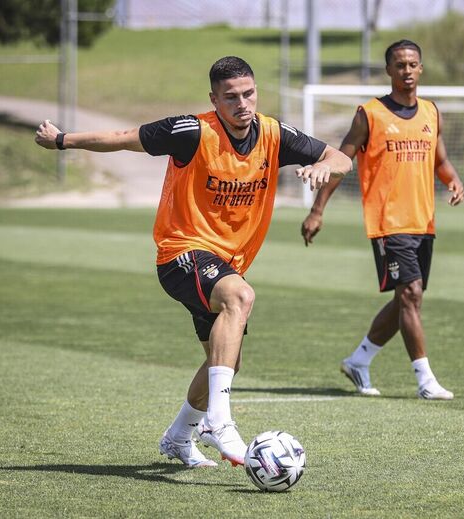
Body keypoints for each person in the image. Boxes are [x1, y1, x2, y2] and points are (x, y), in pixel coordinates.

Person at [36, 56, 352, 468]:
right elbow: (123, 137)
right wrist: (63, 140)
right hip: (180, 253)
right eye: (231, 97)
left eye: (249, 93)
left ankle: (180, 436)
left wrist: (324, 165)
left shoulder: (274, 134)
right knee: (239, 297)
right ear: (214, 99)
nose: (243, 104)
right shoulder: (191, 131)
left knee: (226, 358)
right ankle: (220, 422)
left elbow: (342, 158)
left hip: (225, 261)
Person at [301, 40, 464, 400]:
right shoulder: (369, 114)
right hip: (388, 223)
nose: (407, 71)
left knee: (408, 301)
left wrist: (452, 180)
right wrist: (317, 210)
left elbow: (440, 160)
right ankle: (425, 380)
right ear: (389, 70)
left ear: (421, 69)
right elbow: (340, 164)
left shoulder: (431, 113)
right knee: (410, 293)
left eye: (413, 64)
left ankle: (359, 360)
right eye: (400, 65)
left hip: (423, 221)